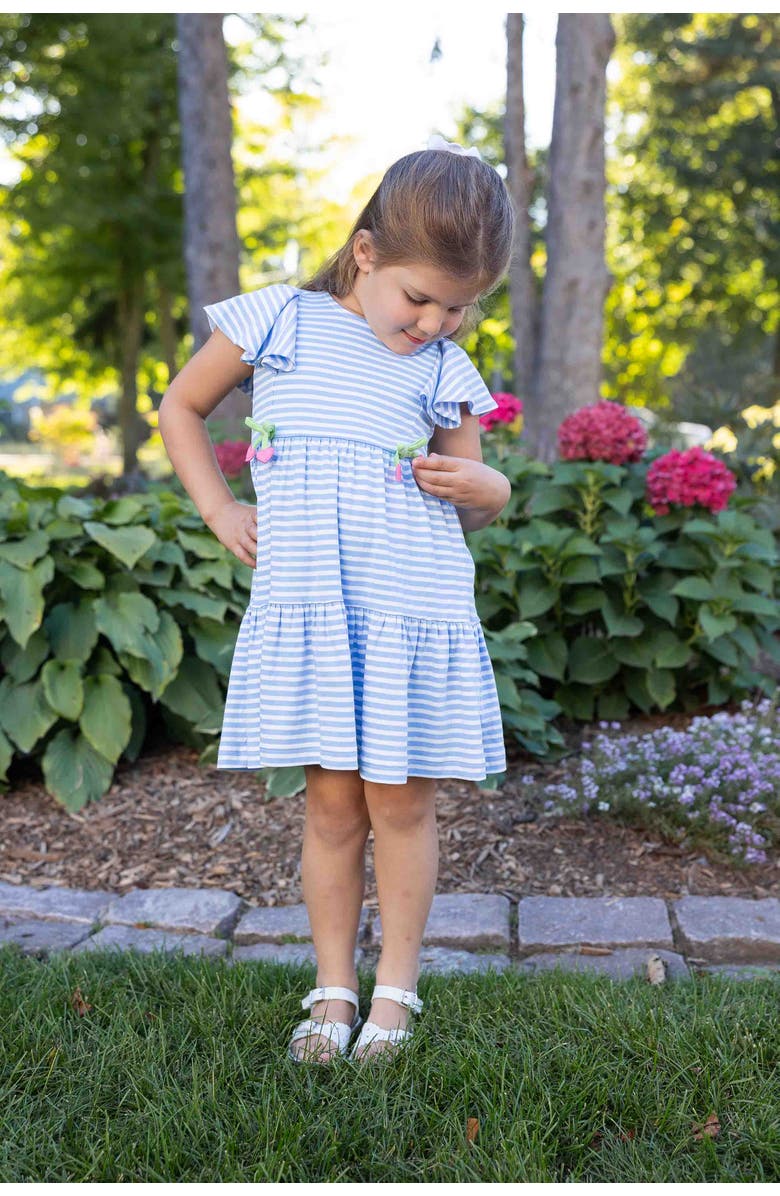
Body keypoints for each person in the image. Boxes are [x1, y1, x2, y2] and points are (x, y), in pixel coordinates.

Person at [158, 134, 515, 1065]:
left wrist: (493, 492)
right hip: (319, 604)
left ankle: (395, 990)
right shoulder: (279, 320)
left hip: (408, 608)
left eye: (459, 305)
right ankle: (332, 987)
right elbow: (181, 406)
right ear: (366, 255)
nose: (437, 321)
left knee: (399, 805)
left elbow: (472, 487)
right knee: (329, 807)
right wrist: (218, 503)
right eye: (420, 296)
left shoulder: (442, 370)